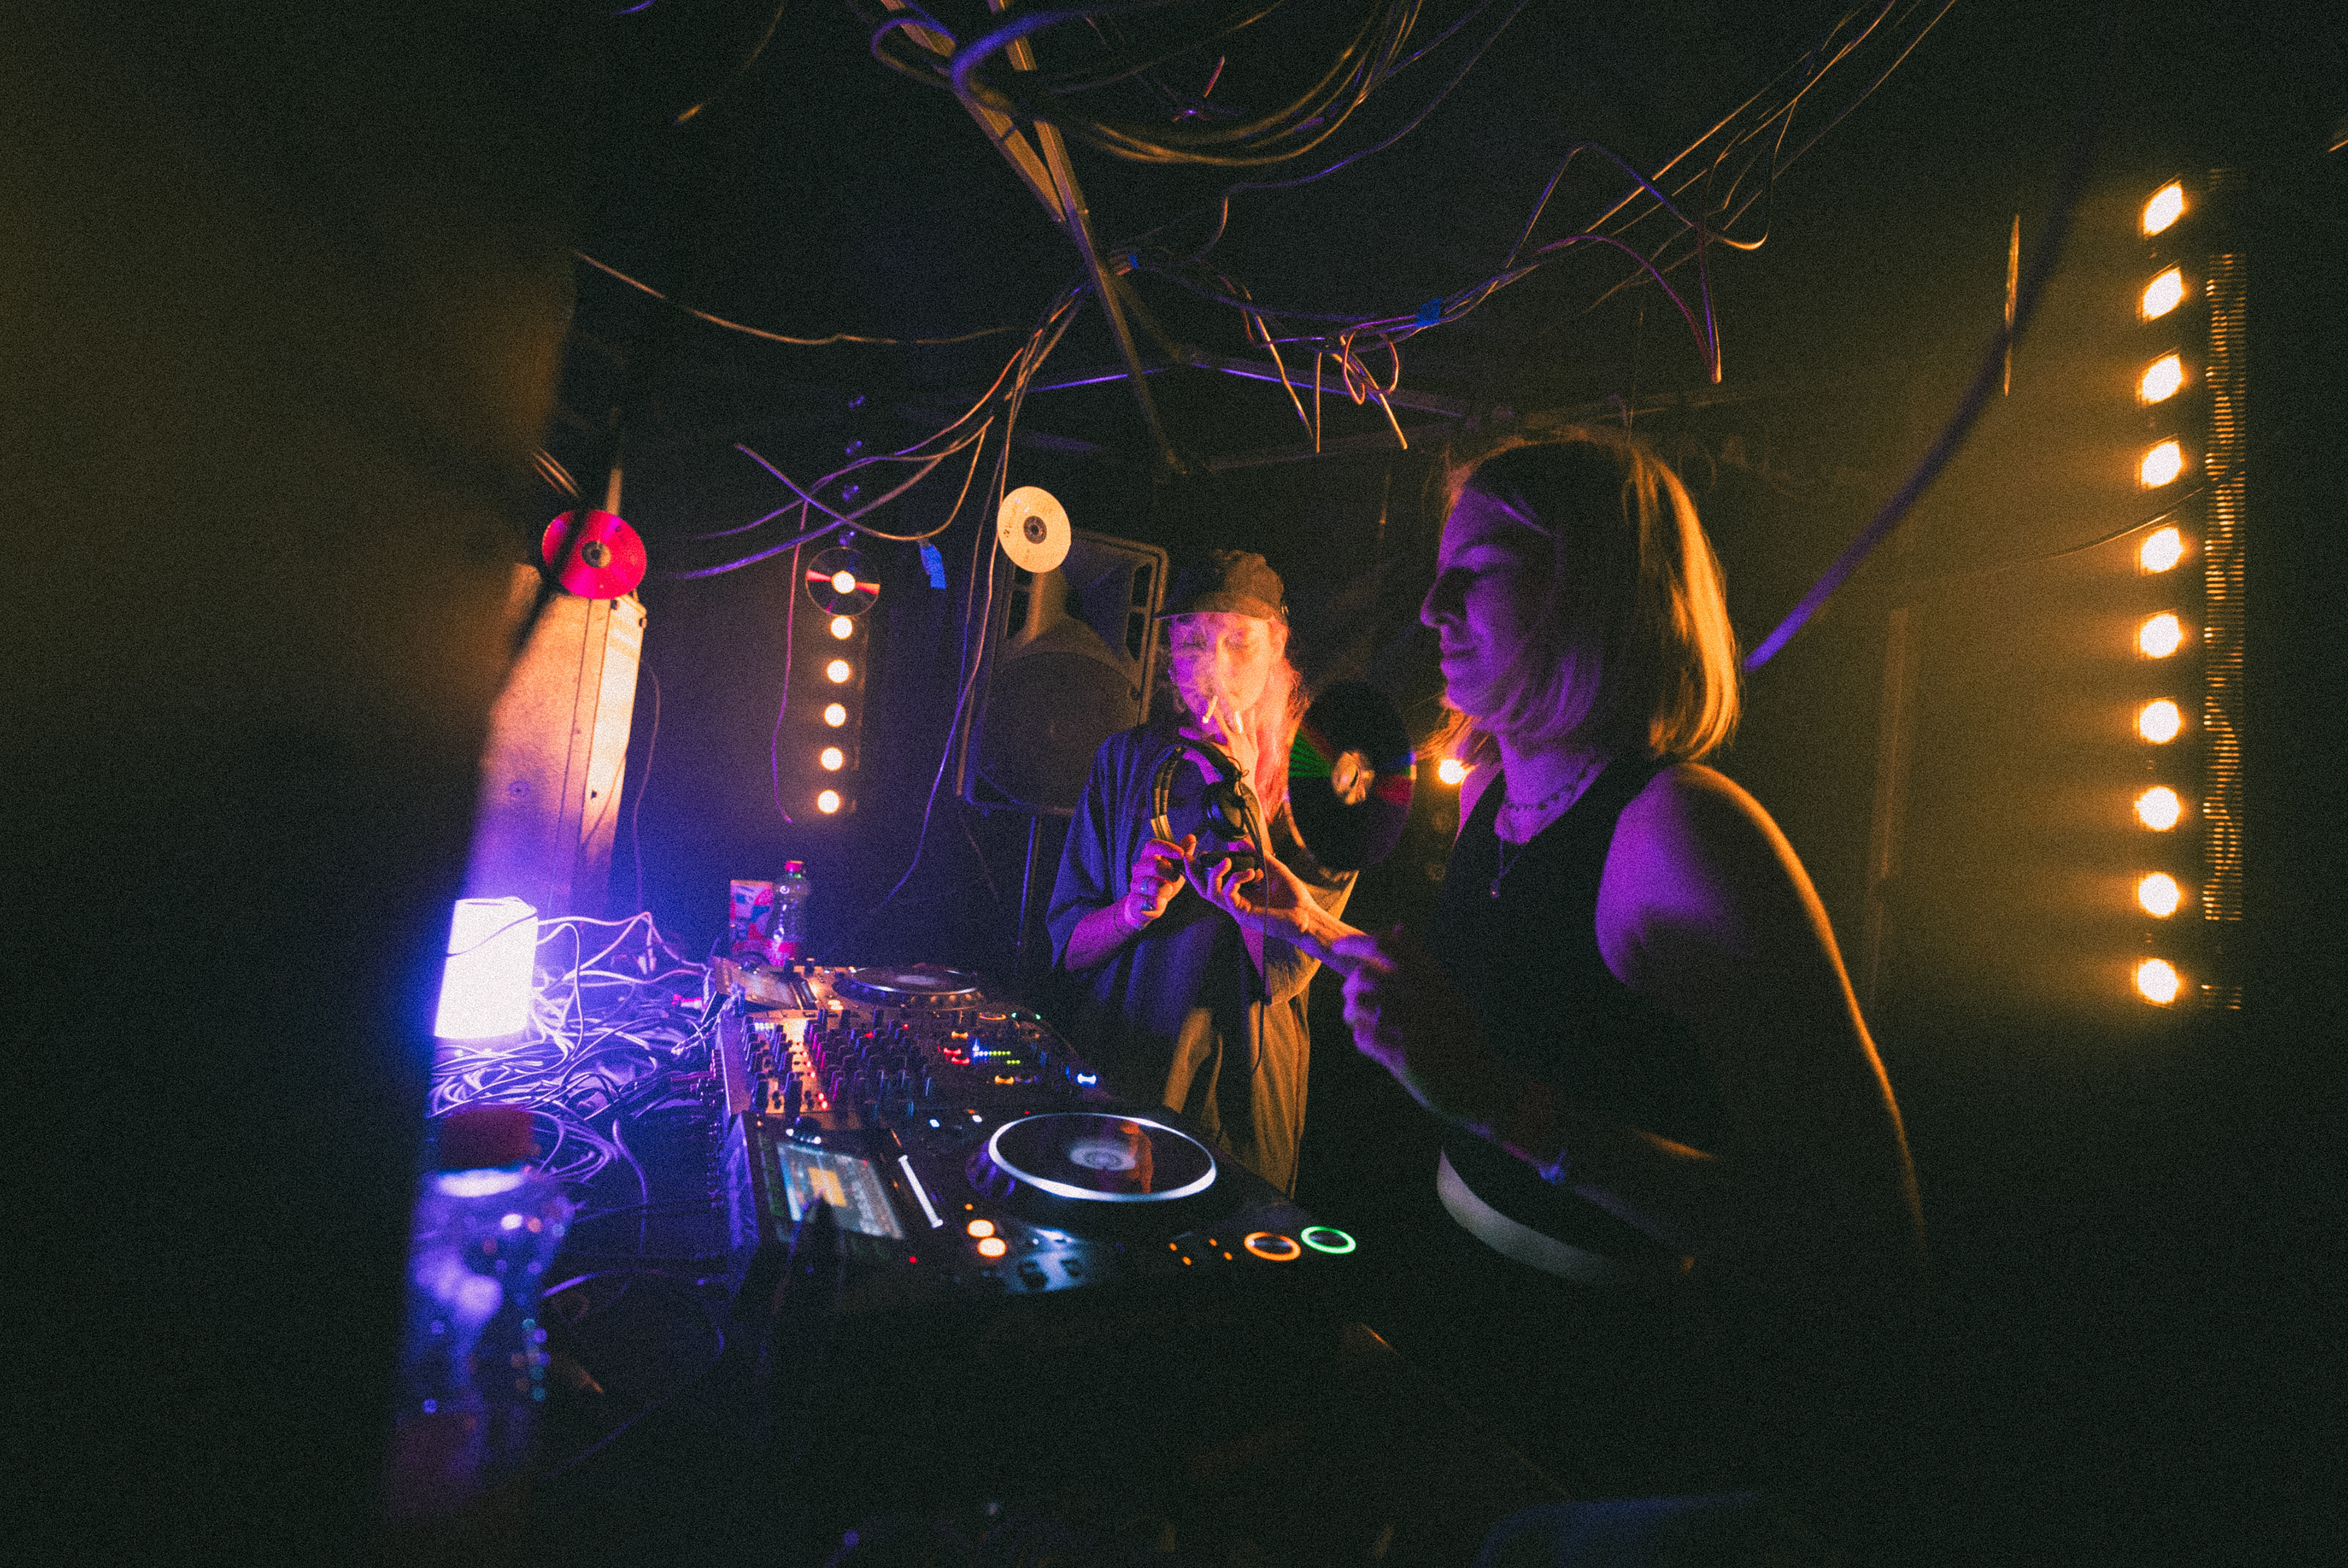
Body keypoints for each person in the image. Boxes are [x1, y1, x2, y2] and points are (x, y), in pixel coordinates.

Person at [1196, 429, 1925, 1501]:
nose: (1432, 610)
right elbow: (1502, 1012)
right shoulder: (1495, 797)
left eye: (1477, 574)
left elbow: (1863, 1238)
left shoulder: (1681, 833)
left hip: (1598, 1384)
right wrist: (1305, 920)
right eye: (1438, 574)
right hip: (1452, 1307)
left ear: (1593, 593)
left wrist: (1502, 1105)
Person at [1046, 550, 1355, 1194]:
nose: (1215, 664)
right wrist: (1131, 912)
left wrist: (1240, 791)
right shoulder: (1125, 759)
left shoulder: (1320, 782)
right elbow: (1069, 948)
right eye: (1192, 642)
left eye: (1239, 641)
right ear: (1169, 656)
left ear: (1278, 647)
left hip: (1242, 1094)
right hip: (1124, 1068)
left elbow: (1285, 969)